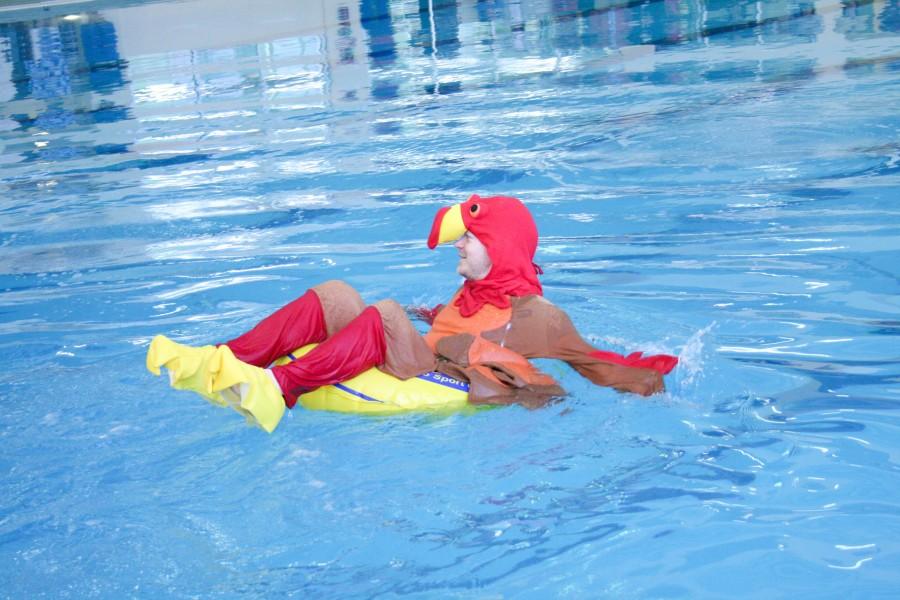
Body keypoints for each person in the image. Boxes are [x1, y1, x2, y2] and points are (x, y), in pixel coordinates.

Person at [147, 194, 677, 431]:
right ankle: (223, 359)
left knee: (383, 314)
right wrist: (432, 316)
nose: (458, 246)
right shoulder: (466, 296)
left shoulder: (537, 315)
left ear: (502, 246)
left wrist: (646, 377)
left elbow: (585, 360)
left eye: (470, 238)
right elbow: (453, 321)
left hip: (440, 376)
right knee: (336, 294)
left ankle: (280, 388)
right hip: (421, 354)